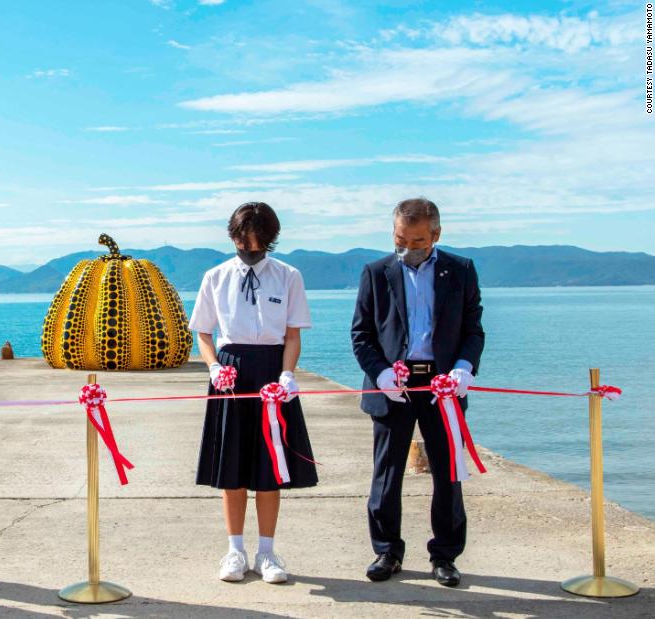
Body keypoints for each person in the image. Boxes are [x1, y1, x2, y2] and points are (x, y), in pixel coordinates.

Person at [350, 198, 485, 587]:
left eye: (417, 240)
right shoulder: (376, 272)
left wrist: (464, 367)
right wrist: (381, 374)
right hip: (393, 388)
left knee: (447, 475)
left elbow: (474, 330)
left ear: (436, 235)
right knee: (387, 475)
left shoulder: (460, 270)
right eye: (399, 239)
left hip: (443, 387)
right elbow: (361, 334)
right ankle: (386, 550)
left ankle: (444, 555)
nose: (407, 247)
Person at [189, 202, 318, 584]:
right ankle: (234, 551)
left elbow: (292, 335)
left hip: (272, 374)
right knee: (232, 466)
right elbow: (204, 334)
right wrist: (214, 367)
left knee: (269, 467)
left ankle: (266, 552)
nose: (251, 251)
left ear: (271, 241)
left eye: (260, 244)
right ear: (232, 238)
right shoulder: (215, 276)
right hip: (230, 372)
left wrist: (287, 374)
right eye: (244, 243)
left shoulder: (288, 276)